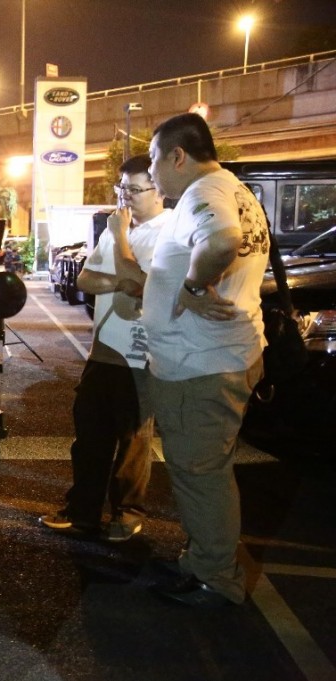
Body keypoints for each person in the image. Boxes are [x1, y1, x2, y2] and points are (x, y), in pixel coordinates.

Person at [138, 113, 269, 607]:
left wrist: (192, 287)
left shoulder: (203, 194)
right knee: (207, 469)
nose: (152, 173)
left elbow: (220, 241)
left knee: (201, 475)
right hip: (217, 358)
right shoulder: (232, 188)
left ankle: (216, 579)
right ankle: (203, 562)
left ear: (178, 156)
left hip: (202, 365)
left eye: (154, 160)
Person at [39, 154, 169, 542]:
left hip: (141, 352)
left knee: (132, 439)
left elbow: (142, 284)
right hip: (103, 347)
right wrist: (120, 277)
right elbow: (86, 278)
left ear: (158, 189)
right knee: (89, 435)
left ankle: (127, 513)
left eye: (134, 188)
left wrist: (122, 253)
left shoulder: (169, 231)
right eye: (122, 188)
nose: (125, 196)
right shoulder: (117, 228)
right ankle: (83, 513)